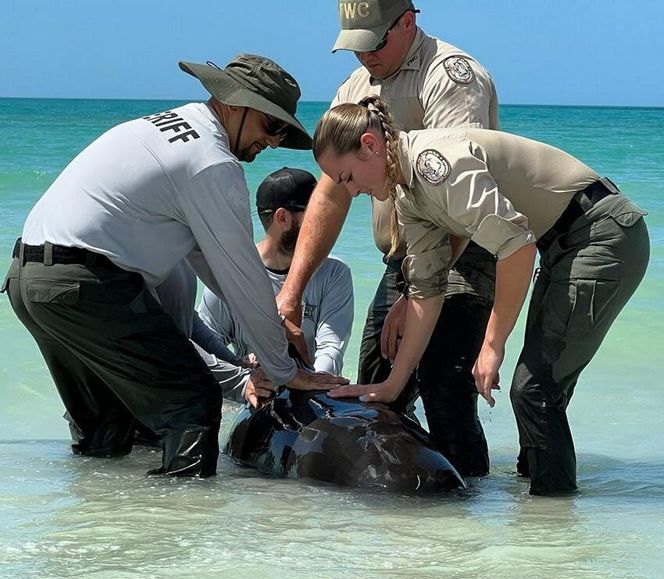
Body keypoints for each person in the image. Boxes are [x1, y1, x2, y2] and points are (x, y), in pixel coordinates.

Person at [1, 54, 346, 478]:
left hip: (28, 281)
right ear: (234, 104)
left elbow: (218, 272)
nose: (273, 141)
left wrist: (272, 336)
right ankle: (177, 537)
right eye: (270, 125)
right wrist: (284, 370)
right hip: (85, 284)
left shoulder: (163, 127)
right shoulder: (213, 162)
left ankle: (92, 534)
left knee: (108, 427)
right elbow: (240, 278)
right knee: (193, 403)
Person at [312, 97, 650, 496]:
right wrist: (391, 384)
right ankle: (541, 501)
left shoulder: (433, 165)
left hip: (601, 232)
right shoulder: (407, 194)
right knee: (541, 392)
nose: (350, 192)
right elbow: (427, 289)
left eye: (348, 177)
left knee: (534, 389)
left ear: (370, 145)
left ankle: (551, 526)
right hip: (559, 244)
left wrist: (492, 344)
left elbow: (515, 248)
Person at [276, 0, 500, 477]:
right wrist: (291, 293)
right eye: (354, 47)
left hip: (466, 248)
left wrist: (420, 290)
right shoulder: (355, 88)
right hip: (401, 259)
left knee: (443, 385)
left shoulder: (451, 76)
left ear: (409, 21)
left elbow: (461, 193)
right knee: (374, 387)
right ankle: (394, 518)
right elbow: (332, 191)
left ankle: (470, 516)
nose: (365, 57)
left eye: (374, 43)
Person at [195, 167, 354, 379]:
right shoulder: (232, 272)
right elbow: (206, 347)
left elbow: (331, 347)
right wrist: (242, 372)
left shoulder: (335, 273)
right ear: (283, 218)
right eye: (315, 215)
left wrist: (313, 380)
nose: (324, 224)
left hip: (315, 387)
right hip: (255, 390)